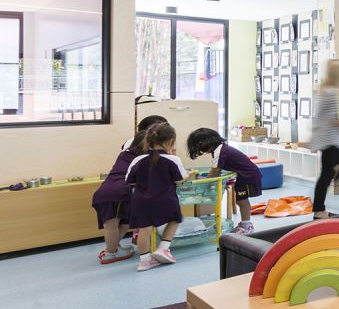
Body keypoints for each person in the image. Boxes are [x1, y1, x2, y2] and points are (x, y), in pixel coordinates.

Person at [92, 115, 167, 264]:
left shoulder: (125, 152)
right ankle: (111, 252)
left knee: (120, 222)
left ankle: (111, 249)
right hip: (121, 191)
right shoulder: (146, 157)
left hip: (104, 191)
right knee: (117, 222)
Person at [126, 123, 195, 272]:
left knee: (144, 230)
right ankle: (163, 248)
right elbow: (179, 179)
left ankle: (144, 261)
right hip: (165, 199)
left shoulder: (137, 160)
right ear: (170, 141)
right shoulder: (173, 159)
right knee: (175, 219)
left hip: (141, 201)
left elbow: (129, 180)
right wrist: (189, 174)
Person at [187, 127, 264, 234]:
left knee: (242, 200)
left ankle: (247, 225)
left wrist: (203, 185)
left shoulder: (221, 151)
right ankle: (245, 223)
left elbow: (215, 171)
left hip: (248, 176)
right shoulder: (221, 149)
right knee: (240, 200)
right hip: (243, 176)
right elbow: (217, 170)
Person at [310, 60, 339, 220]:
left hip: (330, 139)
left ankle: (320, 204)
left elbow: (323, 117)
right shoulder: (330, 93)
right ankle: (319, 210)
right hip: (330, 141)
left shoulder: (325, 90)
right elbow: (332, 119)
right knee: (334, 171)